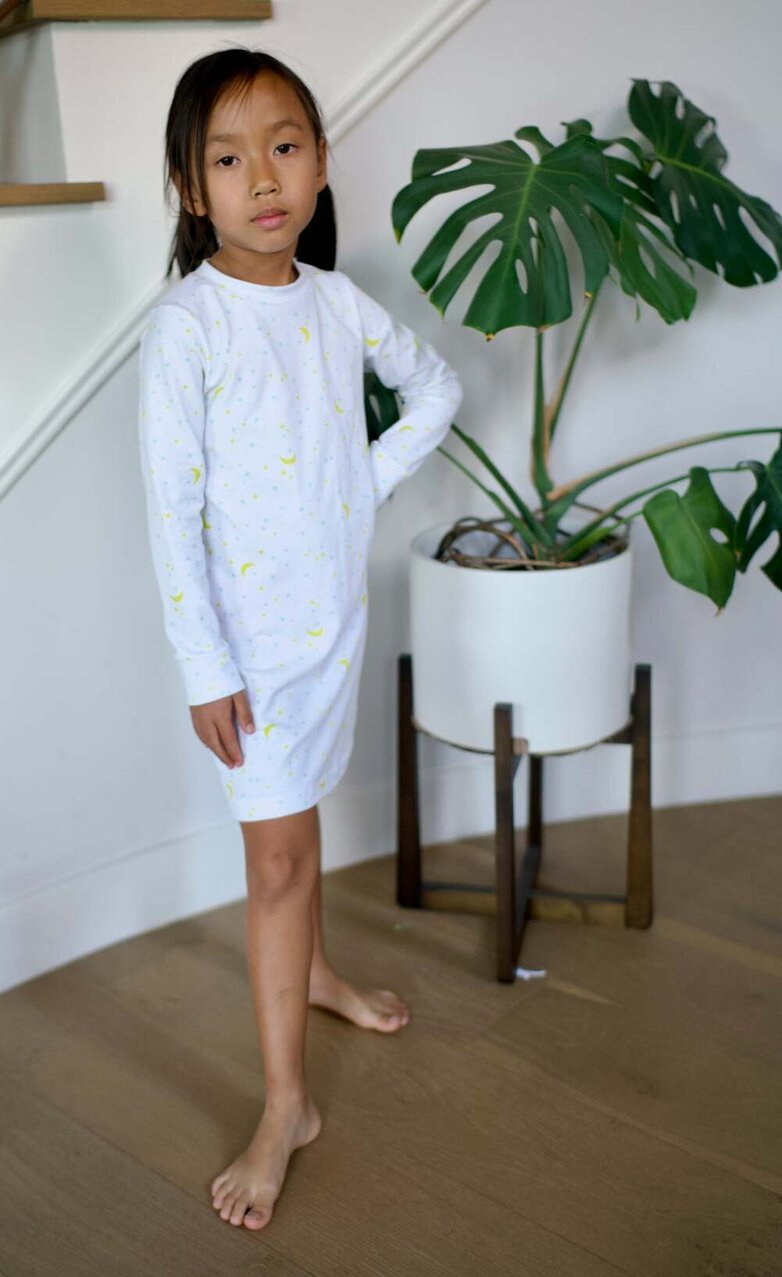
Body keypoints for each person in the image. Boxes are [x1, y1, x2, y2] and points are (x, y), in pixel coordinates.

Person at [136, 48, 463, 1232]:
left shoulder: (335, 301)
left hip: (330, 629)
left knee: (299, 822)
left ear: (320, 164)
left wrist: (352, 488)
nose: (263, 176)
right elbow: (171, 513)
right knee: (276, 859)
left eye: (284, 146)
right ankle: (287, 1104)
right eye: (228, 158)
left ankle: (314, 973)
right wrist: (204, 667)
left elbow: (434, 390)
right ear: (192, 189)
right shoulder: (187, 326)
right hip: (248, 653)